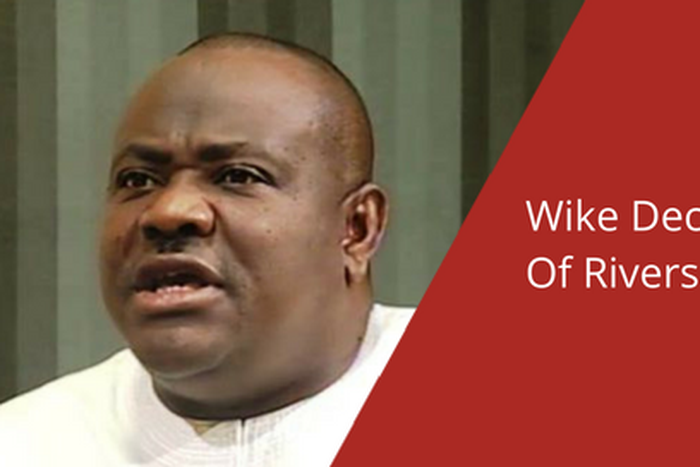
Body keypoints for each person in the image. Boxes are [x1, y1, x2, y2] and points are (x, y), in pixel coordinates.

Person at [0, 32, 413, 466]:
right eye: (138, 180)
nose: (168, 211)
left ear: (357, 228)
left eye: (238, 176)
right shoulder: (26, 445)